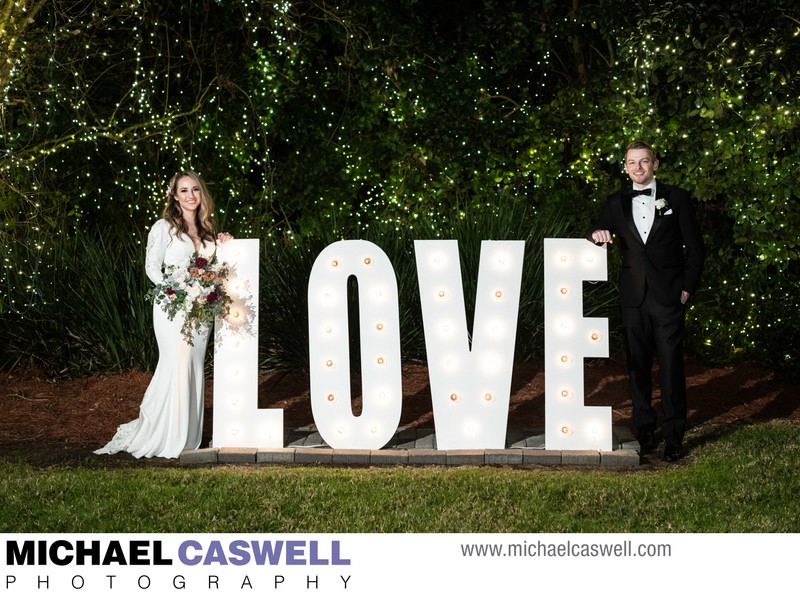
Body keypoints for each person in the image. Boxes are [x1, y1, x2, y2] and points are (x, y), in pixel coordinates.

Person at [95, 171, 233, 458]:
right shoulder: (164, 227)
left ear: (201, 194)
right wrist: (175, 289)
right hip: (172, 305)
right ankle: (165, 434)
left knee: (193, 365)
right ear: (174, 195)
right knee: (176, 362)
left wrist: (225, 243)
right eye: (184, 190)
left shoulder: (208, 232)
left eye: (195, 189)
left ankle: (187, 436)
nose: (190, 196)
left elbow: (215, 265)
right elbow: (152, 267)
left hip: (201, 308)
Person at [588, 141, 704, 461]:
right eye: (631, 162)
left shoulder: (677, 198)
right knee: (637, 367)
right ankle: (644, 428)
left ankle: (674, 435)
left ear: (655, 164)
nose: (637, 168)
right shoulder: (616, 202)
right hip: (633, 298)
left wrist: (687, 288)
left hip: (668, 296)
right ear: (625, 167)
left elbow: (695, 247)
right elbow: (596, 230)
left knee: (670, 367)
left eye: (643, 162)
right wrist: (597, 234)